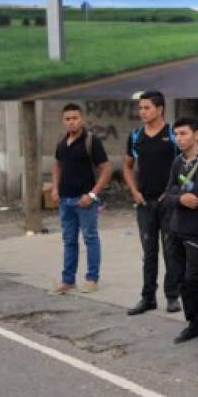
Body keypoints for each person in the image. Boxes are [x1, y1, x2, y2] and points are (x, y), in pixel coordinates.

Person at [124, 90, 182, 316]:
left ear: (160, 109)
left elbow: (187, 164)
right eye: (140, 108)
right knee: (149, 252)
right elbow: (128, 166)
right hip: (145, 204)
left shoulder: (173, 134)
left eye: (147, 108)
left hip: (168, 203)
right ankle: (148, 298)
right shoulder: (136, 136)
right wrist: (134, 191)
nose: (142, 112)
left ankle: (172, 296)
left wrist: (174, 193)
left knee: (171, 250)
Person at [162, 117, 198, 345]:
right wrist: (179, 197)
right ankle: (193, 323)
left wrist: (180, 195)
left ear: (197, 135)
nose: (179, 138)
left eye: (184, 133)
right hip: (176, 227)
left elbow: (197, 196)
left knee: (192, 278)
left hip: (197, 229)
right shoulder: (177, 162)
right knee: (179, 279)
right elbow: (168, 194)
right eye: (176, 134)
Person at [50, 104, 112, 295]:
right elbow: (57, 165)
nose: (71, 122)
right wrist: (54, 188)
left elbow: (106, 168)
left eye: (75, 118)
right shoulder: (62, 142)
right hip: (65, 200)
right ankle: (68, 280)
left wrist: (92, 195)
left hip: (85, 200)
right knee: (69, 240)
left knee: (90, 238)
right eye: (67, 119)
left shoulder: (91, 141)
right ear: (63, 121)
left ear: (82, 119)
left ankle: (92, 279)